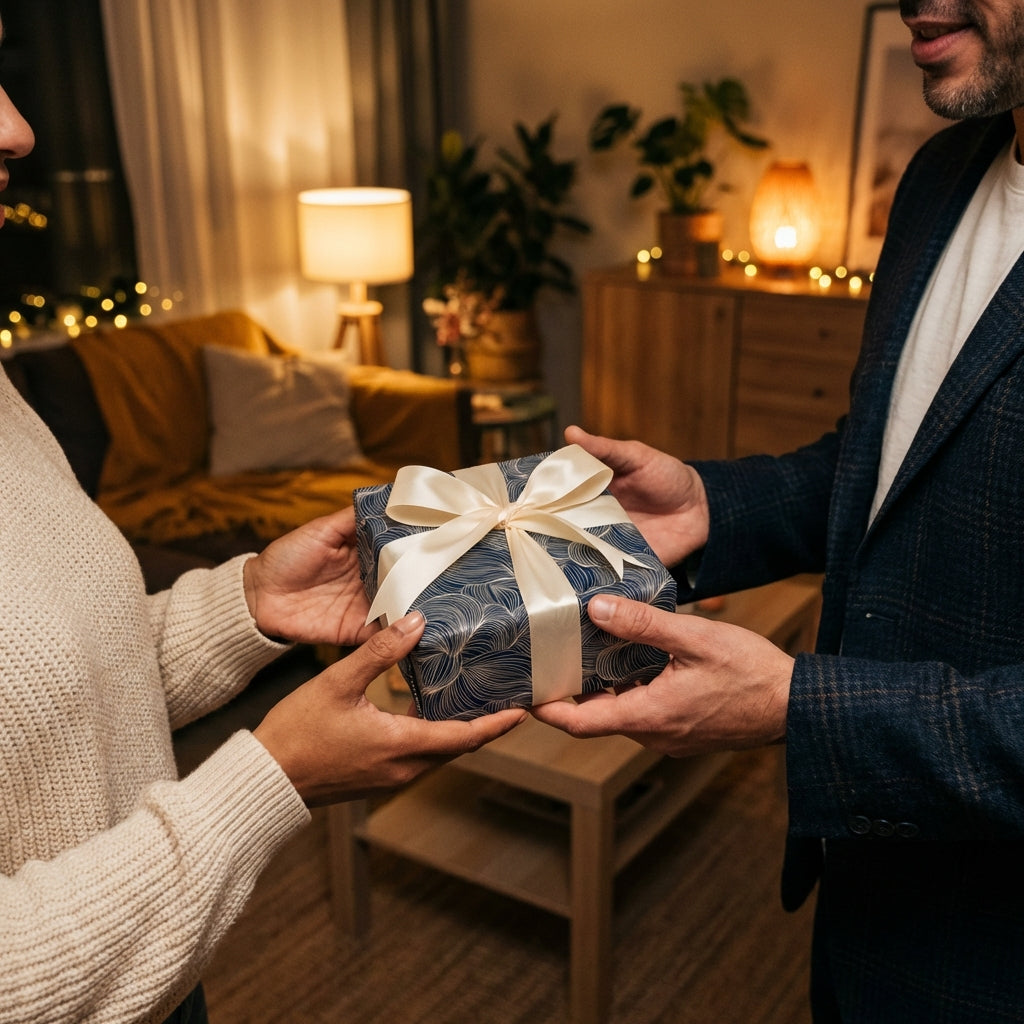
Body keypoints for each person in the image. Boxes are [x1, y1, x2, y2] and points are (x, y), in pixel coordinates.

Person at [0, 28, 525, 1024]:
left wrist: (247, 604)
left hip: (159, 971)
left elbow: (59, 684)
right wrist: (270, 777)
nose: (19, 129)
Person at [534, 2, 1024, 1020]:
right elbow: (888, 463)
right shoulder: (937, 181)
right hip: (868, 905)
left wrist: (799, 709)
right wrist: (711, 505)